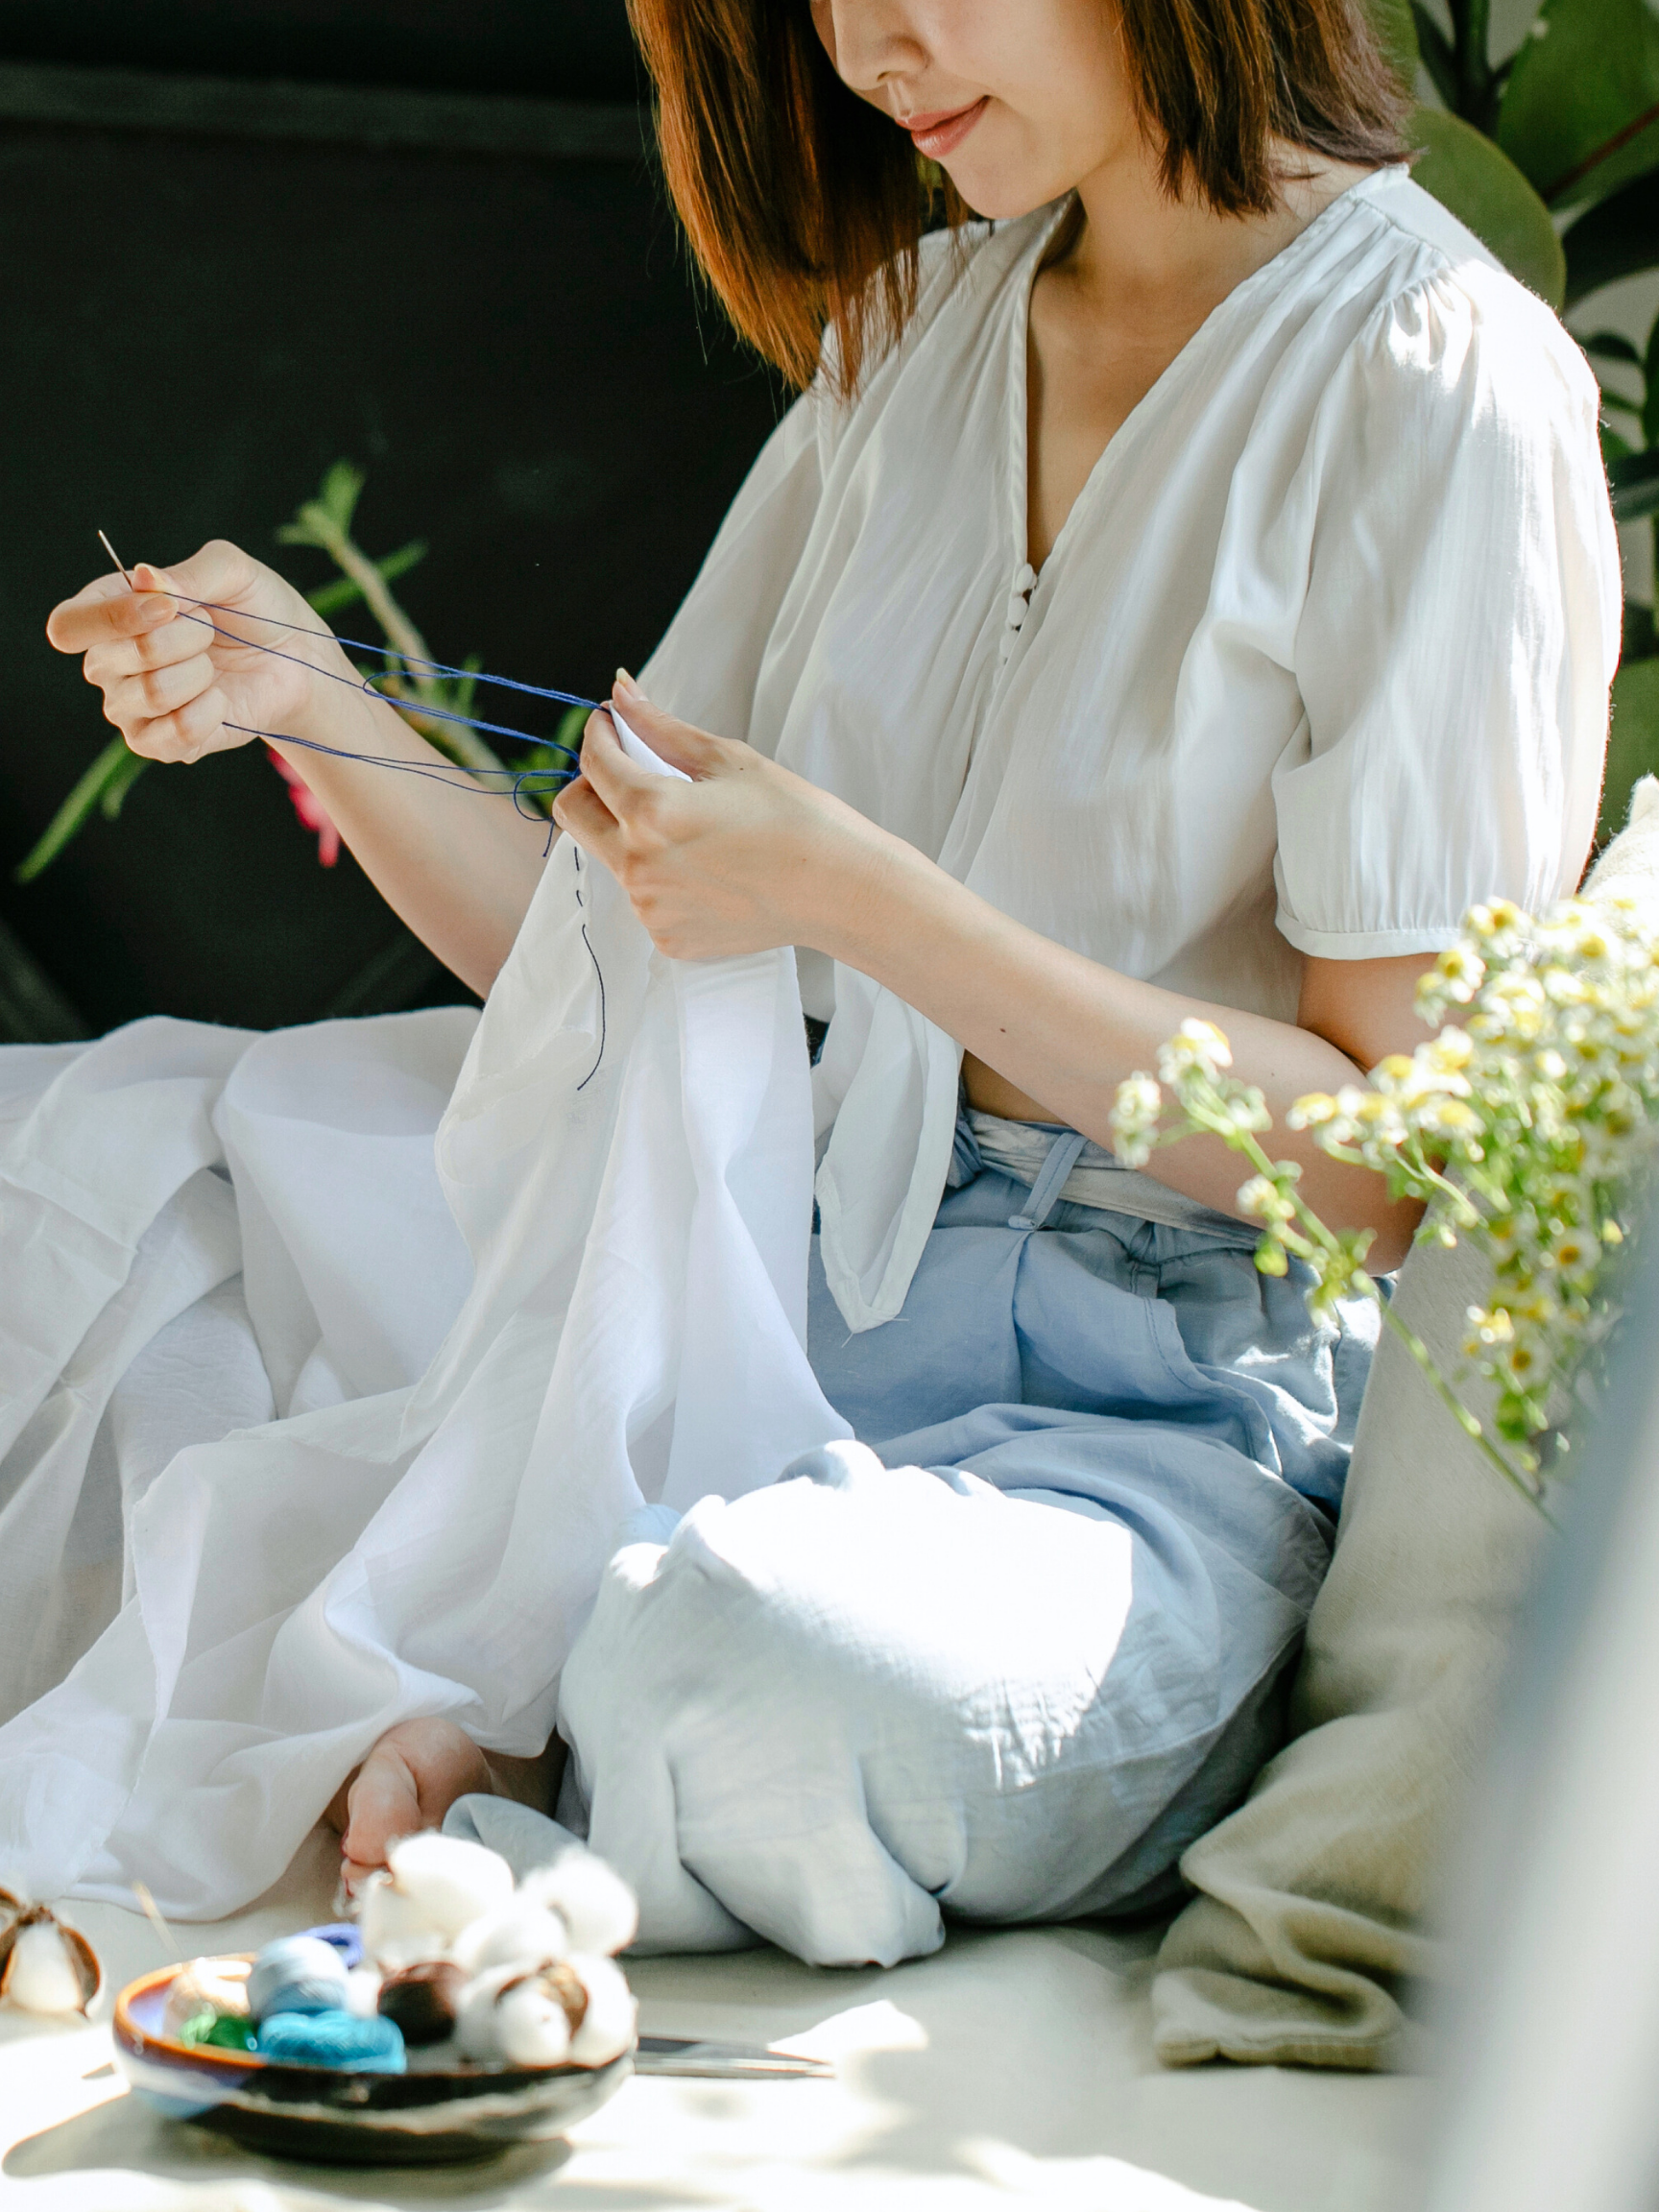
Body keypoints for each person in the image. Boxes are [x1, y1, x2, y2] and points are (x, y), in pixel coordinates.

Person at [25, 0, 1614, 1961]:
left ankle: (554, 1690)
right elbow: (608, 959)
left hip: (1148, 1428)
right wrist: (310, 694)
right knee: (81, 1197)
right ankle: (534, 1676)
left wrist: (871, 910)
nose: (867, 49)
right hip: (735, 1302)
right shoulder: (910, 336)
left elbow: (1386, 1170)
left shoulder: (1434, 379)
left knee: (743, 1664)